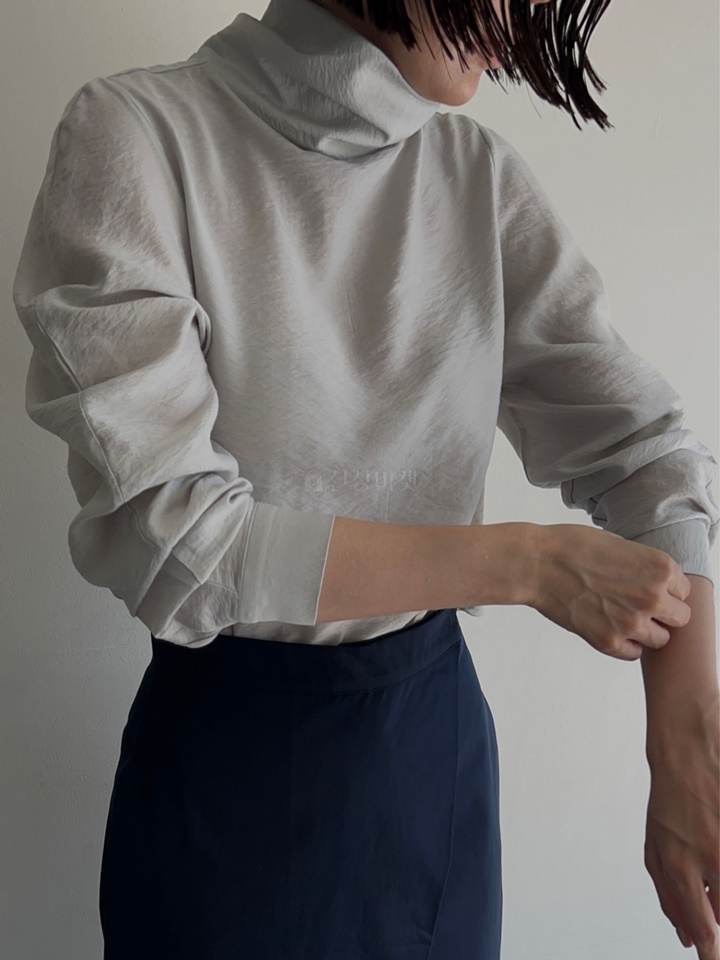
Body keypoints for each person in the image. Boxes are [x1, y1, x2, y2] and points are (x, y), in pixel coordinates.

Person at [11, 0, 719, 957]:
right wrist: (529, 565)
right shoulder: (138, 137)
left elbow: (648, 451)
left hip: (431, 766)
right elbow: (180, 546)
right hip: (227, 785)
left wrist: (686, 739)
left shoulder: (476, 175)